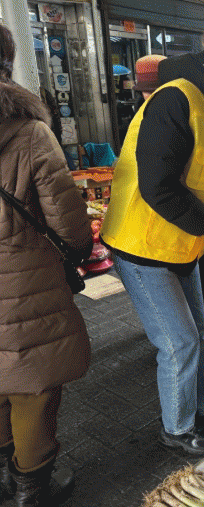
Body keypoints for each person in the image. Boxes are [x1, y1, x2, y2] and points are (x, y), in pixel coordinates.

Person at [100, 12, 204, 456]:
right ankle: (177, 429)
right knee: (180, 342)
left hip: (183, 244)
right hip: (143, 246)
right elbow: (159, 186)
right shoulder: (176, 99)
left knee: (199, 334)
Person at [0, 23, 92, 506]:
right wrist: (78, 252)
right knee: (31, 386)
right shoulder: (31, 134)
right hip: (26, 285)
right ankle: (31, 489)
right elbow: (69, 223)